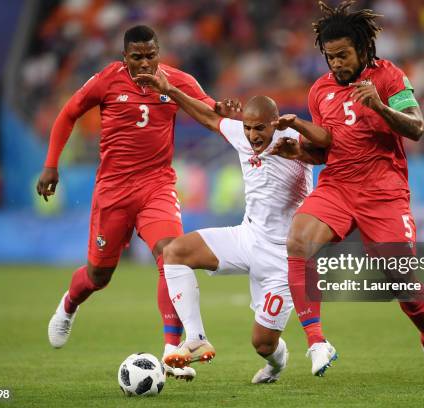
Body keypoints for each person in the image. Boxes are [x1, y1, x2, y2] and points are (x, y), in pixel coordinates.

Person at [37, 25, 238, 380]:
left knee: (171, 254)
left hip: (157, 187)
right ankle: (69, 305)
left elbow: (208, 109)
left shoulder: (176, 82)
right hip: (113, 191)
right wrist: (51, 165)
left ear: (159, 53)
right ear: (124, 57)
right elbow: (68, 114)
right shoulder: (106, 81)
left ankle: (171, 350)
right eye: (137, 57)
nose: (145, 63)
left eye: (151, 55)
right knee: (99, 275)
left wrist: (223, 108)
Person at [272, 1, 424, 384]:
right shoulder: (319, 91)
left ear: (363, 49)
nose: (336, 64)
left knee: (401, 281)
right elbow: (324, 150)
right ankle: (317, 341)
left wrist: (380, 107)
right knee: (298, 241)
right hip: (337, 186)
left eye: (343, 56)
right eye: (330, 57)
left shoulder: (389, 78)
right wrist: (298, 151)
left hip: (383, 191)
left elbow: (417, 128)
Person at [135, 69, 327, 383]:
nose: (252, 136)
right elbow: (207, 117)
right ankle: (195, 337)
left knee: (263, 344)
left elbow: (329, 149)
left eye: (259, 129)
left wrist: (305, 149)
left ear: (274, 123)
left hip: (284, 256)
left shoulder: (294, 142)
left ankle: (276, 365)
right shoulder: (241, 133)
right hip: (247, 236)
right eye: (248, 128)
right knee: (174, 252)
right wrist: (170, 90)